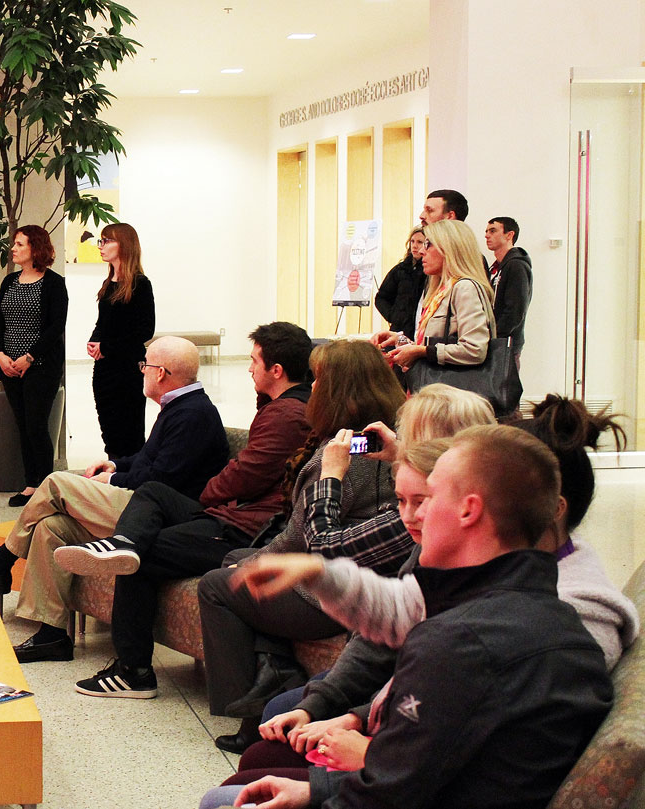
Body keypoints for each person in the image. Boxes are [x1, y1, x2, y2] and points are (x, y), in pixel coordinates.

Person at [225, 426, 615, 809]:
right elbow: (425, 775)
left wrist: (324, 786)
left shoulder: (460, 643)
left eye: (430, 497)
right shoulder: (545, 613)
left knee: (225, 798)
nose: (417, 516)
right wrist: (315, 790)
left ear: (468, 510)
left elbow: (388, 792)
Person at [56, 338, 404, 700]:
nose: (312, 387)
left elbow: (298, 526)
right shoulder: (344, 438)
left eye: (319, 380)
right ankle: (122, 544)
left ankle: (140, 672)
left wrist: (244, 545)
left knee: (165, 558)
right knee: (154, 502)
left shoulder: (325, 447)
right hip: (258, 527)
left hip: (264, 537)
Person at [210, 383, 496, 753]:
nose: (312, 388)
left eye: (409, 437)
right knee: (242, 568)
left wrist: (330, 476)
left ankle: (254, 692)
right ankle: (272, 667)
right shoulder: (426, 507)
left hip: (355, 621)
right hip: (367, 629)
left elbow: (323, 547)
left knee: (225, 582)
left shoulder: (430, 530)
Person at [0, 336, 228, 663]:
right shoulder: (181, 406)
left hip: (156, 519)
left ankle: (2, 561)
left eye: (144, 365)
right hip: (144, 505)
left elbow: (161, 480)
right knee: (51, 527)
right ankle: (51, 635)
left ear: (160, 373)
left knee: (56, 483)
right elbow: (149, 459)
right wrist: (116, 465)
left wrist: (114, 479)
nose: (142, 371)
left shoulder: (193, 414)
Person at [0, 225, 68, 507]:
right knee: (23, 425)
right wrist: (0, 354)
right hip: (10, 366)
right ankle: (30, 484)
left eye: (20, 244)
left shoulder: (54, 283)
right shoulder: (9, 281)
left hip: (41, 366)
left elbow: (56, 327)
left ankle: (45, 487)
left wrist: (30, 356)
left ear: (36, 249)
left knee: (36, 425)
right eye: (14, 244)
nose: (13, 248)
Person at [372, 218, 495, 373]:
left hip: (451, 386)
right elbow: (433, 346)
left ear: (450, 248)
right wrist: (400, 340)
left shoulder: (464, 288)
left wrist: (423, 351)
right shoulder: (441, 290)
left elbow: (474, 350)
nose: (422, 251)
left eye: (428, 244)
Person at [87, 223, 155, 458]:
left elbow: (144, 330)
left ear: (124, 245)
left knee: (129, 431)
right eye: (101, 240)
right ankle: (114, 470)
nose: (101, 246)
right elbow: (103, 323)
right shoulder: (108, 283)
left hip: (127, 369)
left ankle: (130, 475)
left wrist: (107, 347)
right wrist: (94, 341)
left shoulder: (140, 284)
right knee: (109, 430)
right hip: (104, 368)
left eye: (107, 241)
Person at [484, 215, 533, 357]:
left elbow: (515, 310)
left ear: (509, 235)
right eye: (486, 231)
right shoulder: (495, 268)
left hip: (505, 345)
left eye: (493, 231)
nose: (487, 235)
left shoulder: (516, 265)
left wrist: (494, 336)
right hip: (495, 343)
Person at [373, 227, 426, 340]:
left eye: (419, 242)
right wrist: (394, 316)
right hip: (399, 331)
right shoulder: (400, 270)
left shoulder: (431, 273)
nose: (415, 246)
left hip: (421, 331)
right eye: (412, 241)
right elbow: (381, 297)